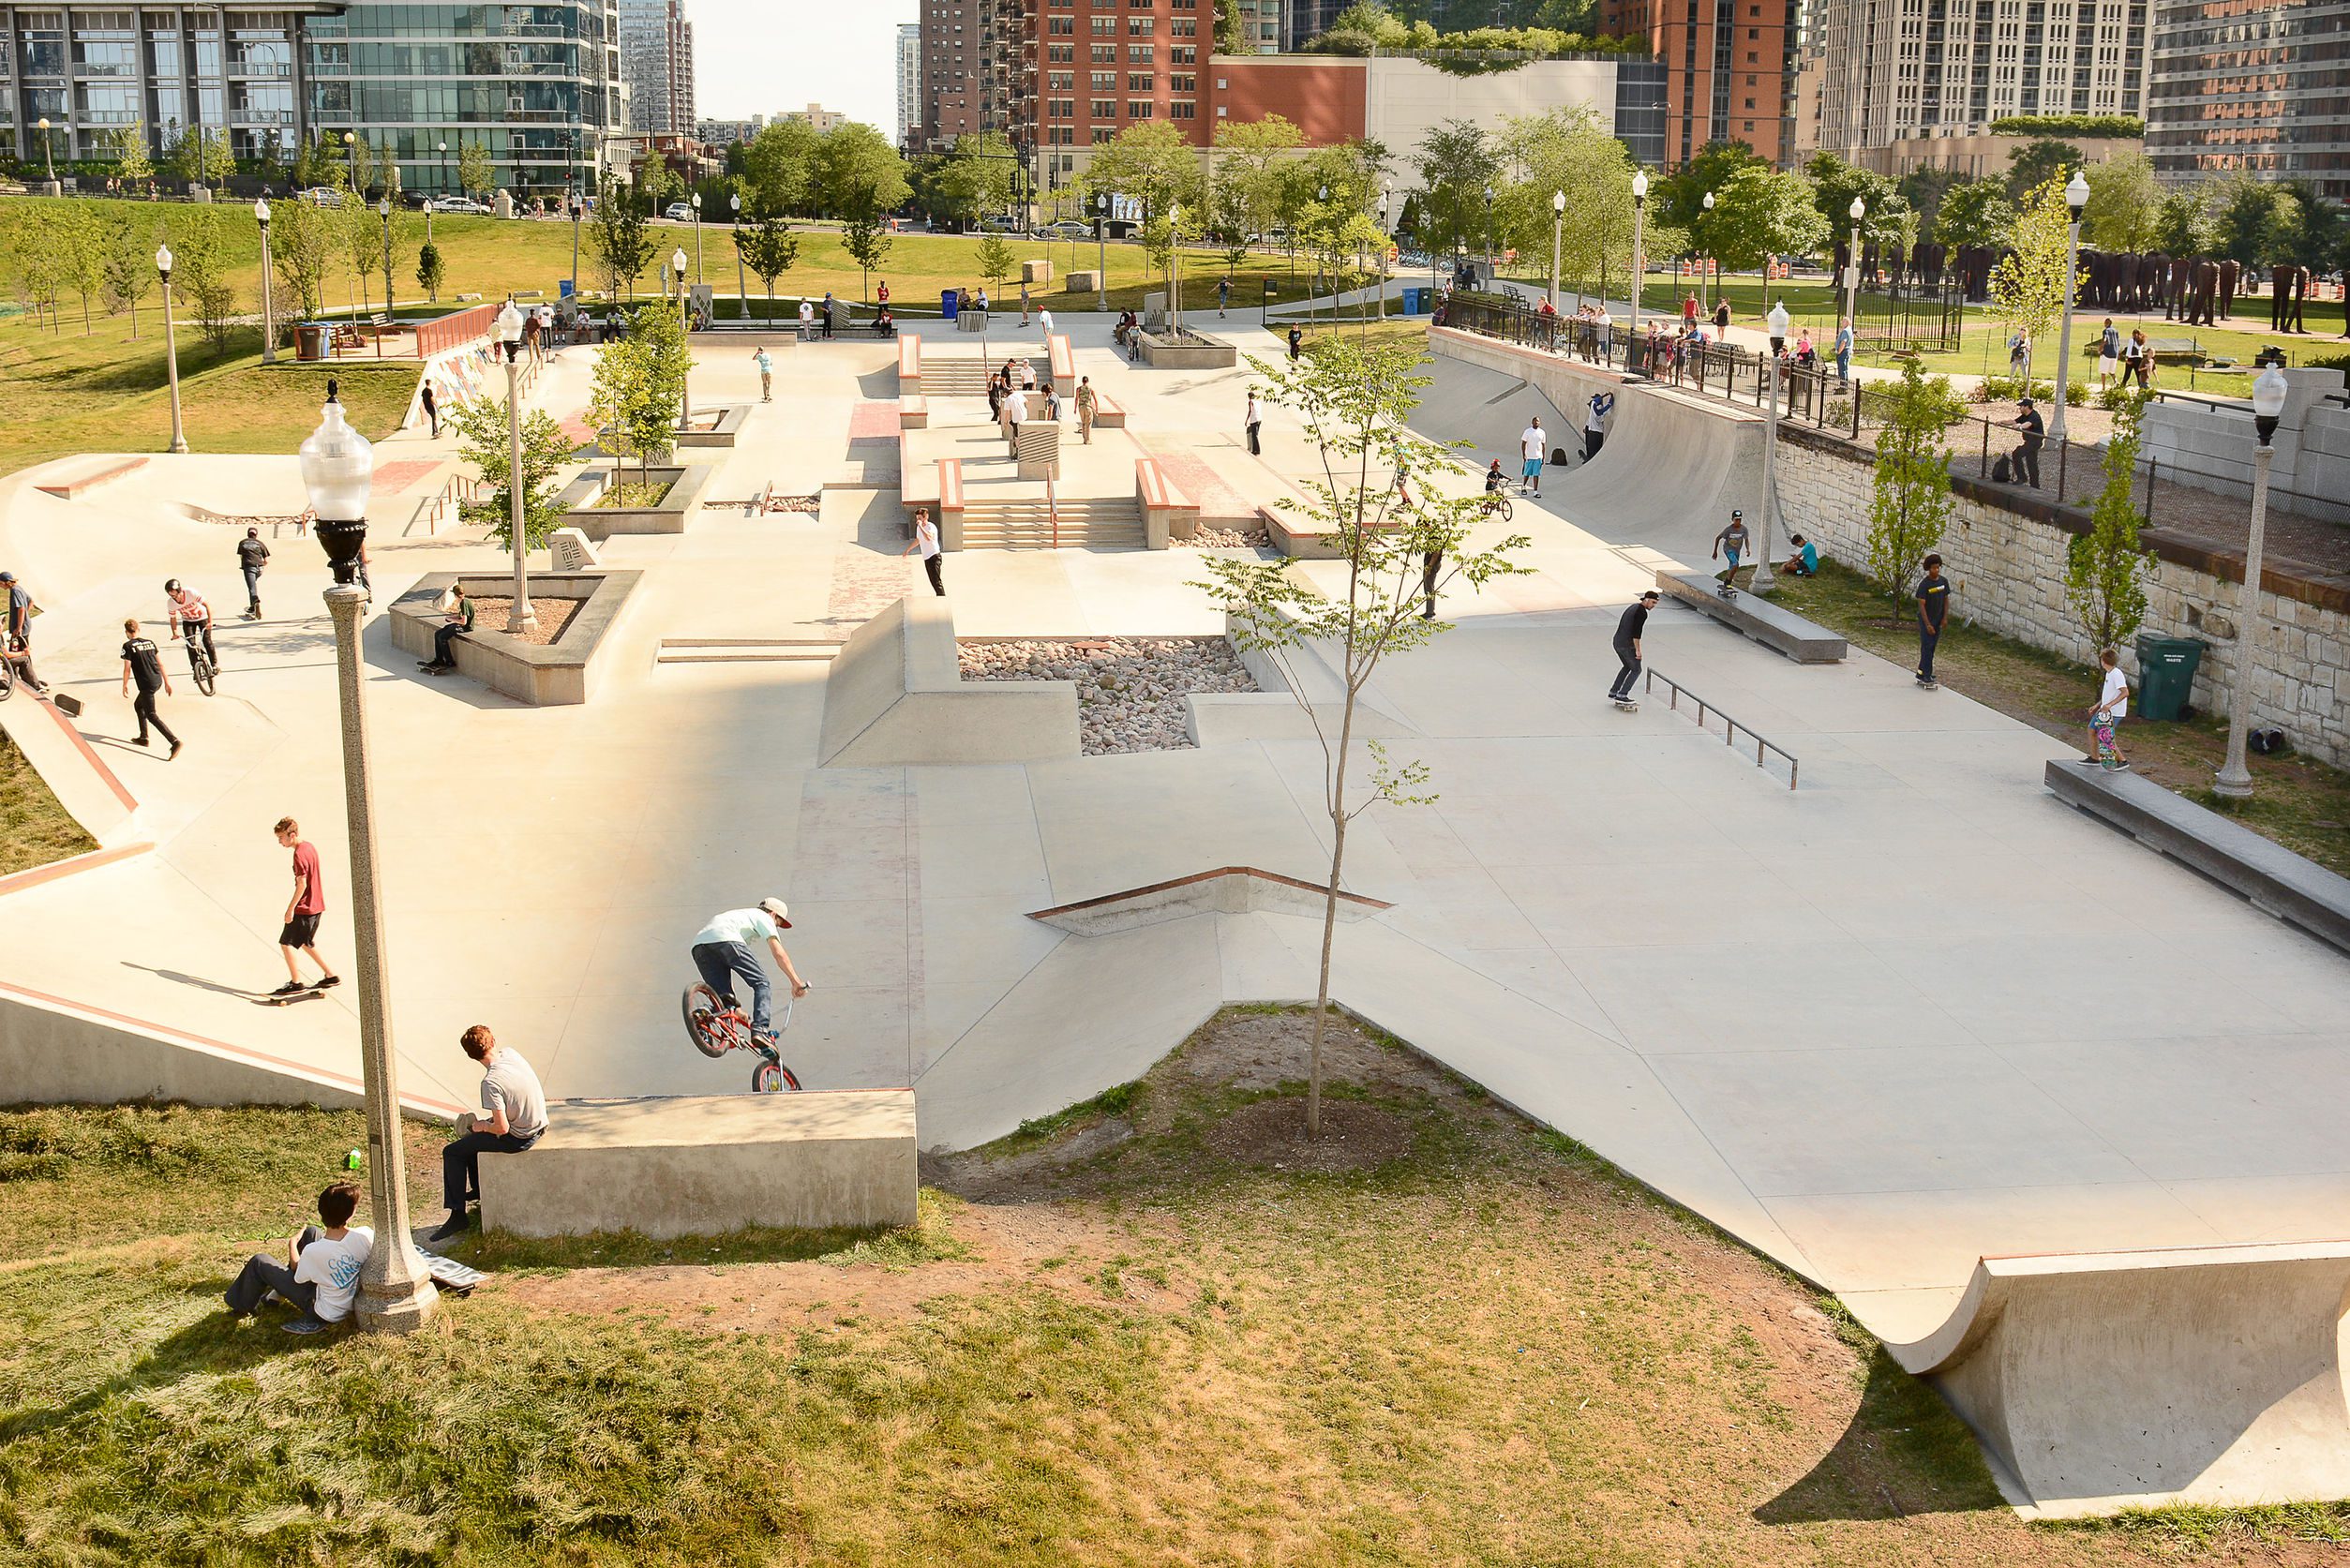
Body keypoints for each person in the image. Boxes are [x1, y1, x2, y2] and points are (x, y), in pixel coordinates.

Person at [430, 1024, 549, 1241]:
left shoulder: (490, 1082)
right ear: (493, 1041)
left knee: (453, 1151)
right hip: (539, 1122)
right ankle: (477, 1189)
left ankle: (458, 1216)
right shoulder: (512, 1054)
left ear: (471, 1056)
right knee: (475, 1142)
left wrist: (482, 1126)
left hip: (520, 1137)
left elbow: (502, 1128)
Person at [223, 1181, 371, 1327]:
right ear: (350, 1213)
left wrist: (292, 1244)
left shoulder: (314, 1251)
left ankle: (241, 1306)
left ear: (321, 1212)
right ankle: (274, 1297)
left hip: (323, 1311)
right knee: (312, 1232)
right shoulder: (365, 1235)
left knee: (260, 1261)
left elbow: (297, 1274)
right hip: (348, 1300)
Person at [689, 901, 809, 1048]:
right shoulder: (764, 917)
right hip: (726, 940)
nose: (776, 926)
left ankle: (703, 1015)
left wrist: (737, 1009)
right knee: (762, 983)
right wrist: (795, 981)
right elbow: (779, 953)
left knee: (723, 999)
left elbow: (727, 968)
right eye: (777, 923)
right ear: (773, 914)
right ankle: (760, 1029)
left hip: (699, 947)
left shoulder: (739, 917)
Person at [272, 816, 339, 995]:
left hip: (305, 907)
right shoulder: (309, 847)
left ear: (291, 835)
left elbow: (301, 884)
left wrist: (290, 909)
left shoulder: (299, 855)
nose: (280, 842)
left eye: (281, 838)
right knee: (305, 942)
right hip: (317, 905)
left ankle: (296, 983)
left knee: (286, 943)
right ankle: (331, 976)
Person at [119, 617, 180, 757]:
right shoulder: (150, 643)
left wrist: (124, 684)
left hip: (146, 684)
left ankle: (174, 741)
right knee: (138, 706)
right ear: (138, 630)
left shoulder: (127, 646)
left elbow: (127, 668)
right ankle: (144, 737)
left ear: (127, 632)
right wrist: (167, 683)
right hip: (157, 680)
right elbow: (160, 664)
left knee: (151, 715)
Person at [1609, 590, 1659, 706]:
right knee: (1636, 669)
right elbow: (1636, 634)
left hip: (1617, 642)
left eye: (1655, 603)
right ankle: (1622, 694)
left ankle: (1614, 691)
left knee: (1627, 666)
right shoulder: (1641, 613)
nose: (1653, 606)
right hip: (1627, 645)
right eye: (1653, 602)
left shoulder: (1633, 607)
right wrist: (1638, 650)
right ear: (1646, 600)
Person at [2088, 648, 2131, 769]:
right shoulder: (2109, 674)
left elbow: (2125, 692)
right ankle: (2094, 757)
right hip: (2104, 710)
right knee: (2092, 730)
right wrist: (2097, 705)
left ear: (2103, 661)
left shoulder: (2117, 674)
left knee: (2105, 736)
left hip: (2114, 712)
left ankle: (2122, 760)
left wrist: (2110, 705)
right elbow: (2109, 694)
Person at [165, 578, 216, 678]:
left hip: (202, 618)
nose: (175, 598)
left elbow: (207, 605)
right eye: (171, 596)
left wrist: (210, 622)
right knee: (190, 645)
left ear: (180, 591)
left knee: (207, 641)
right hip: (188, 621)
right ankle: (195, 670)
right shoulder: (171, 603)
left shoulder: (190, 593)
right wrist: (174, 633)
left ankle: (214, 665)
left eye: (176, 595)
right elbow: (173, 619)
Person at [0, 571, 39, 694]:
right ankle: (27, 678)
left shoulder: (15, 591)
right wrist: (26, 616)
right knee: (22, 652)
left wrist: (18, 626)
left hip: (20, 628)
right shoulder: (19, 588)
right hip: (25, 626)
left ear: (4, 583)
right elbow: (31, 601)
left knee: (19, 652)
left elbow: (21, 608)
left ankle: (23, 680)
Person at [420, 584, 473, 672]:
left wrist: (453, 620)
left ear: (455, 595)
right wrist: (451, 618)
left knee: (442, 637)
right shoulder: (465, 601)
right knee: (437, 633)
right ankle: (439, 659)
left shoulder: (464, 603)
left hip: (465, 627)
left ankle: (449, 661)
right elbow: (461, 616)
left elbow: (464, 622)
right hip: (461, 625)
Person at [1916, 551, 1949, 689]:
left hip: (1937, 619)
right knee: (1927, 647)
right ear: (1928, 569)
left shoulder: (1943, 582)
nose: (1936, 570)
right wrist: (1927, 624)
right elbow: (1921, 606)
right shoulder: (1925, 585)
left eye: (1938, 567)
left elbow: (1946, 600)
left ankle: (1921, 672)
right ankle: (1927, 674)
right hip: (1927, 621)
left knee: (1932, 647)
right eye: (1933, 568)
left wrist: (1945, 617)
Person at [904, 507, 944, 596]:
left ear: (925, 517)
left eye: (919, 518)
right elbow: (918, 540)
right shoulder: (919, 528)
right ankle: (939, 597)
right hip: (926, 557)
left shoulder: (931, 526)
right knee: (932, 580)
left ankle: (942, 598)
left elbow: (928, 538)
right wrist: (908, 549)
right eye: (917, 518)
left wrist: (921, 526)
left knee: (936, 581)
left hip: (934, 556)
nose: (917, 520)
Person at [236, 528, 270, 620]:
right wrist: (261, 566)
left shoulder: (242, 543)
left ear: (248, 534)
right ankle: (252, 607)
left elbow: (241, 556)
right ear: (256, 535)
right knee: (253, 585)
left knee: (252, 588)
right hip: (259, 568)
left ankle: (255, 604)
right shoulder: (260, 543)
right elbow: (266, 560)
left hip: (249, 567)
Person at [2012, 396, 2045, 487]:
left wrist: (2020, 426)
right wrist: (2001, 422)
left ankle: (2022, 477)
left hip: (2035, 441)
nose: (2020, 408)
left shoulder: (2034, 416)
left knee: (2017, 453)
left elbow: (2028, 424)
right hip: (2029, 441)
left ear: (2026, 407)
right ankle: (2035, 485)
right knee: (2031, 462)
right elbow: (2013, 421)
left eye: (2021, 406)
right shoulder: (2024, 416)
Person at [1713, 510, 1751, 586]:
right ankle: (1728, 582)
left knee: (1732, 568)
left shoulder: (1744, 529)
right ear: (1732, 520)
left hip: (1737, 551)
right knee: (1735, 564)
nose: (1738, 522)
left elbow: (1746, 540)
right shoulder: (1728, 530)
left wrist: (1748, 549)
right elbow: (1718, 538)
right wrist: (1715, 551)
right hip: (1728, 549)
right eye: (1736, 520)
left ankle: (1727, 584)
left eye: (1739, 520)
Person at [1519, 416, 1547, 495]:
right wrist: (1524, 455)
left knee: (1536, 474)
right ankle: (1524, 486)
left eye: (1538, 421)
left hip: (1538, 457)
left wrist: (1543, 457)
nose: (1536, 422)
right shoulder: (1528, 432)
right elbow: (1523, 444)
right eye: (1535, 421)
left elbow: (1543, 445)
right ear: (1532, 422)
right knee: (1527, 473)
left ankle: (1535, 491)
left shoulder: (1542, 432)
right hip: (1529, 456)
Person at [1583, 391, 1613, 462]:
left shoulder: (1593, 409)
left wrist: (1605, 395)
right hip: (1599, 434)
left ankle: (1590, 460)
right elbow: (1609, 405)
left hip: (1592, 433)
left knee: (1591, 450)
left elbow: (1595, 401)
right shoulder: (1603, 411)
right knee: (1598, 451)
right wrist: (1611, 397)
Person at [2098, 319, 2120, 392]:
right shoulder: (2115, 331)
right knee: (2112, 370)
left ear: (2106, 323)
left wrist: (2100, 348)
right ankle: (2116, 381)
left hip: (2107, 353)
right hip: (2115, 353)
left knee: (2103, 371)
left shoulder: (2106, 331)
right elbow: (2118, 342)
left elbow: (2105, 339)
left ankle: (2103, 387)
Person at [1076, 376, 1098, 444]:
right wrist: (1096, 409)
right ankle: (1087, 440)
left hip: (1081, 407)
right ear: (1087, 381)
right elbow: (1095, 399)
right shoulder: (1090, 389)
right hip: (1088, 407)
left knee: (1083, 422)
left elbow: (1076, 399)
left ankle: (1084, 438)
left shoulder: (1078, 389)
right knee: (1088, 423)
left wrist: (1075, 408)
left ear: (1082, 381)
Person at [1834, 317, 1854, 382]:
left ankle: (1843, 385)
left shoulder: (1845, 331)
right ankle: (1844, 384)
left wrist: (1839, 352)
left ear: (1847, 323)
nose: (1841, 323)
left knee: (1842, 369)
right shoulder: (1850, 330)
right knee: (1845, 369)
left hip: (1843, 352)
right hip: (1846, 351)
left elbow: (1843, 342)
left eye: (1843, 322)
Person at [1245, 390, 1264, 455]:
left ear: (1249, 397)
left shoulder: (1250, 402)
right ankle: (1255, 450)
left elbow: (1250, 410)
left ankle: (1257, 450)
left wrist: (1247, 420)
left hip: (1254, 420)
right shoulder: (1258, 402)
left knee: (1254, 436)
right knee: (1256, 435)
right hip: (1259, 419)